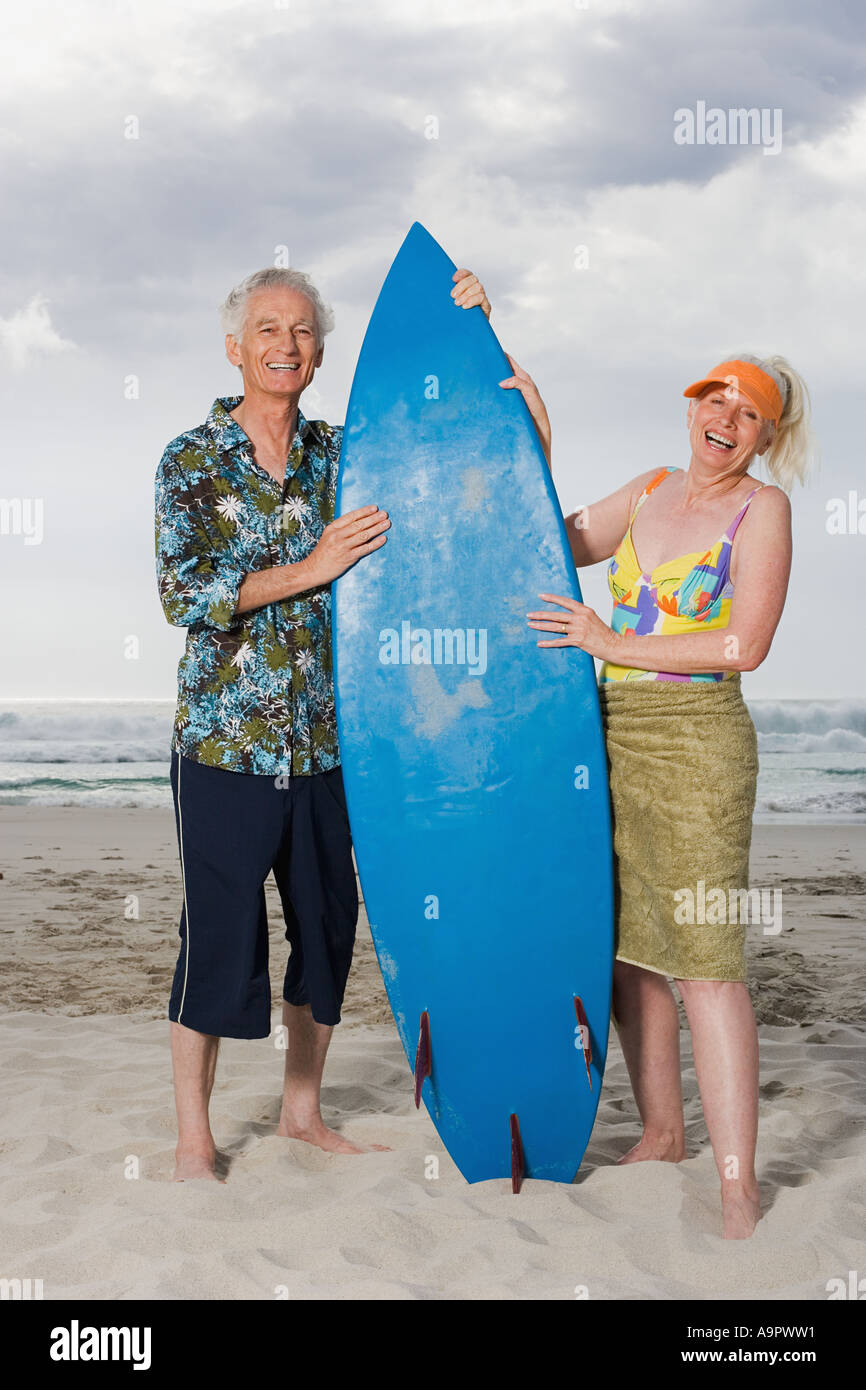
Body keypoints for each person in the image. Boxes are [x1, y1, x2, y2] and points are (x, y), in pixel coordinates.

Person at [155, 260, 490, 1180]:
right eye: (268, 329)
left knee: (328, 927)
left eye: (303, 331)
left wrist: (467, 333)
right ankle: (194, 1138)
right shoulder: (190, 459)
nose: (287, 346)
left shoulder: (350, 455)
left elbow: (457, 463)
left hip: (335, 744)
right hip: (226, 746)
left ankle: (301, 1112)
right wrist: (311, 566)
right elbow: (184, 594)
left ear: (319, 351)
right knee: (219, 937)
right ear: (235, 348)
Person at [516, 354, 815, 1238]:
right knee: (628, 949)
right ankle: (660, 1130)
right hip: (605, 735)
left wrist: (607, 637)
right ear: (693, 410)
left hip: (699, 745)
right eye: (714, 400)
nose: (725, 419)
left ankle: (736, 1182)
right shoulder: (648, 491)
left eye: (748, 414)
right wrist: (539, 437)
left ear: (767, 436)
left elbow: (744, 645)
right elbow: (558, 542)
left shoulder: (765, 510)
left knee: (707, 962)